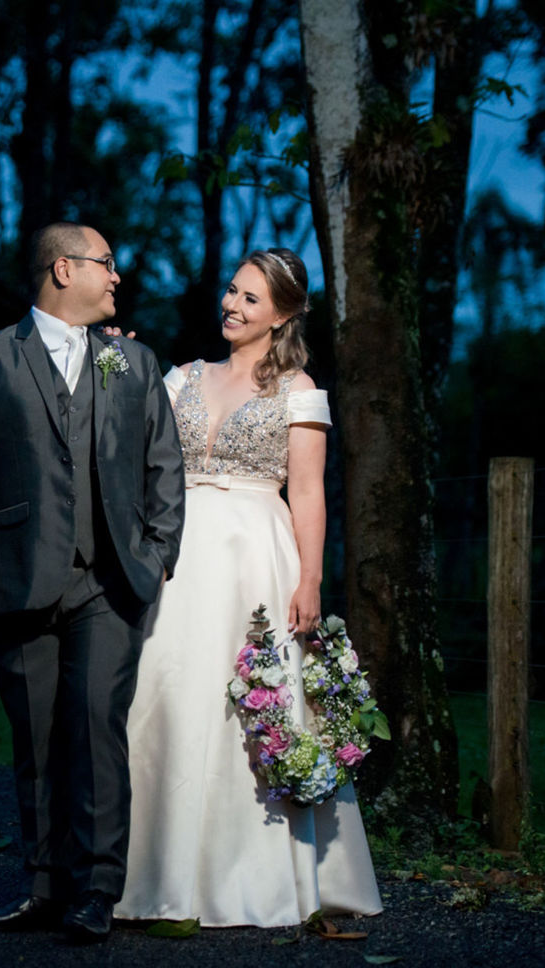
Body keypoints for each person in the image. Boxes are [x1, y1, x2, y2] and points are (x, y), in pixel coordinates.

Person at [114, 248, 383, 928]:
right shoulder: (179, 378)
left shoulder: (299, 390)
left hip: (256, 560)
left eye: (252, 298)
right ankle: (150, 871)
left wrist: (312, 578)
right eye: (232, 290)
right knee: (167, 696)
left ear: (284, 314)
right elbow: (123, 438)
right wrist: (114, 363)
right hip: (179, 559)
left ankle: (251, 874)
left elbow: (310, 493)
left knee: (250, 706)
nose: (232, 304)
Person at [0, 222, 186, 943]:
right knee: (37, 736)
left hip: (110, 582)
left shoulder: (133, 362)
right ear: (61, 269)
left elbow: (161, 462)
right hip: (15, 577)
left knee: (95, 729)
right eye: (105, 264)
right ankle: (41, 885)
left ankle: (96, 890)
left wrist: (159, 551)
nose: (116, 277)